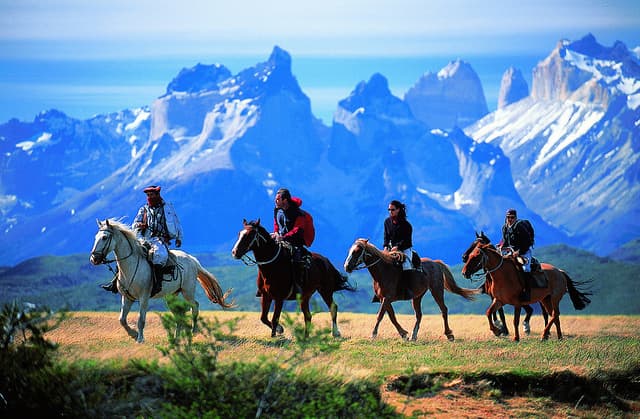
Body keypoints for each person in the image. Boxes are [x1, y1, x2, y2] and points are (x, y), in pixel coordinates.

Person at [101, 185, 183, 296]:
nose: (149, 197)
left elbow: (176, 222)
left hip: (160, 239)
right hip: (144, 238)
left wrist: (179, 237)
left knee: (159, 256)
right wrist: (139, 225)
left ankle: (157, 284)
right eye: (148, 195)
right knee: (126, 256)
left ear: (157, 195)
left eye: (151, 195)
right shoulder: (143, 210)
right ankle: (115, 282)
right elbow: (135, 224)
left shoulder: (167, 208)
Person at [268, 187, 308, 296]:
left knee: (296, 259)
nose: (275, 201)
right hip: (280, 239)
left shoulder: (297, 213)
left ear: (285, 201)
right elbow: (276, 224)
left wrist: (284, 237)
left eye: (277, 199)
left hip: (295, 242)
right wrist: (276, 233)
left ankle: (297, 285)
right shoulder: (277, 210)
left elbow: (298, 230)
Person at [498, 208, 534, 301]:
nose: (510, 219)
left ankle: (527, 292)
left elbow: (528, 241)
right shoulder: (504, 227)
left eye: (512, 217)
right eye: (508, 217)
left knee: (526, 269)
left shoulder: (520, 226)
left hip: (524, 252)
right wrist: (501, 246)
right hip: (511, 251)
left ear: (515, 217)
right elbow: (505, 241)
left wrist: (519, 251)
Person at [383, 200, 414, 298]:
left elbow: (407, 240)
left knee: (406, 266)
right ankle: (381, 290)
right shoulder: (387, 222)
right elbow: (386, 237)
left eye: (392, 209)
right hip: (391, 249)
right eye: (389, 210)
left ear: (398, 210)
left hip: (405, 249)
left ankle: (407, 289)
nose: (390, 212)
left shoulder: (406, 225)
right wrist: (385, 246)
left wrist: (398, 247)